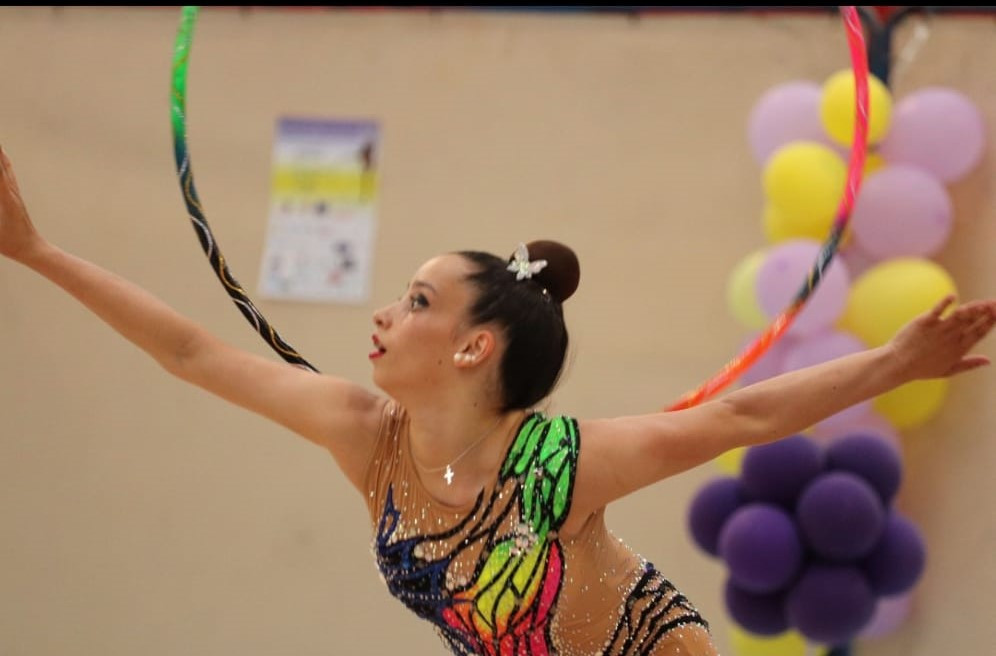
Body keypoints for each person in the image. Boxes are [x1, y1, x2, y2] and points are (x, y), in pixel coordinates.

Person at [2, 144, 994, 655]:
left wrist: (891, 364)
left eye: (417, 300)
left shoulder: (557, 466)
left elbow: (733, 418)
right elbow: (190, 351)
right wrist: (36, 251)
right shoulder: (364, 434)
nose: (386, 314)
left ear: (476, 346)